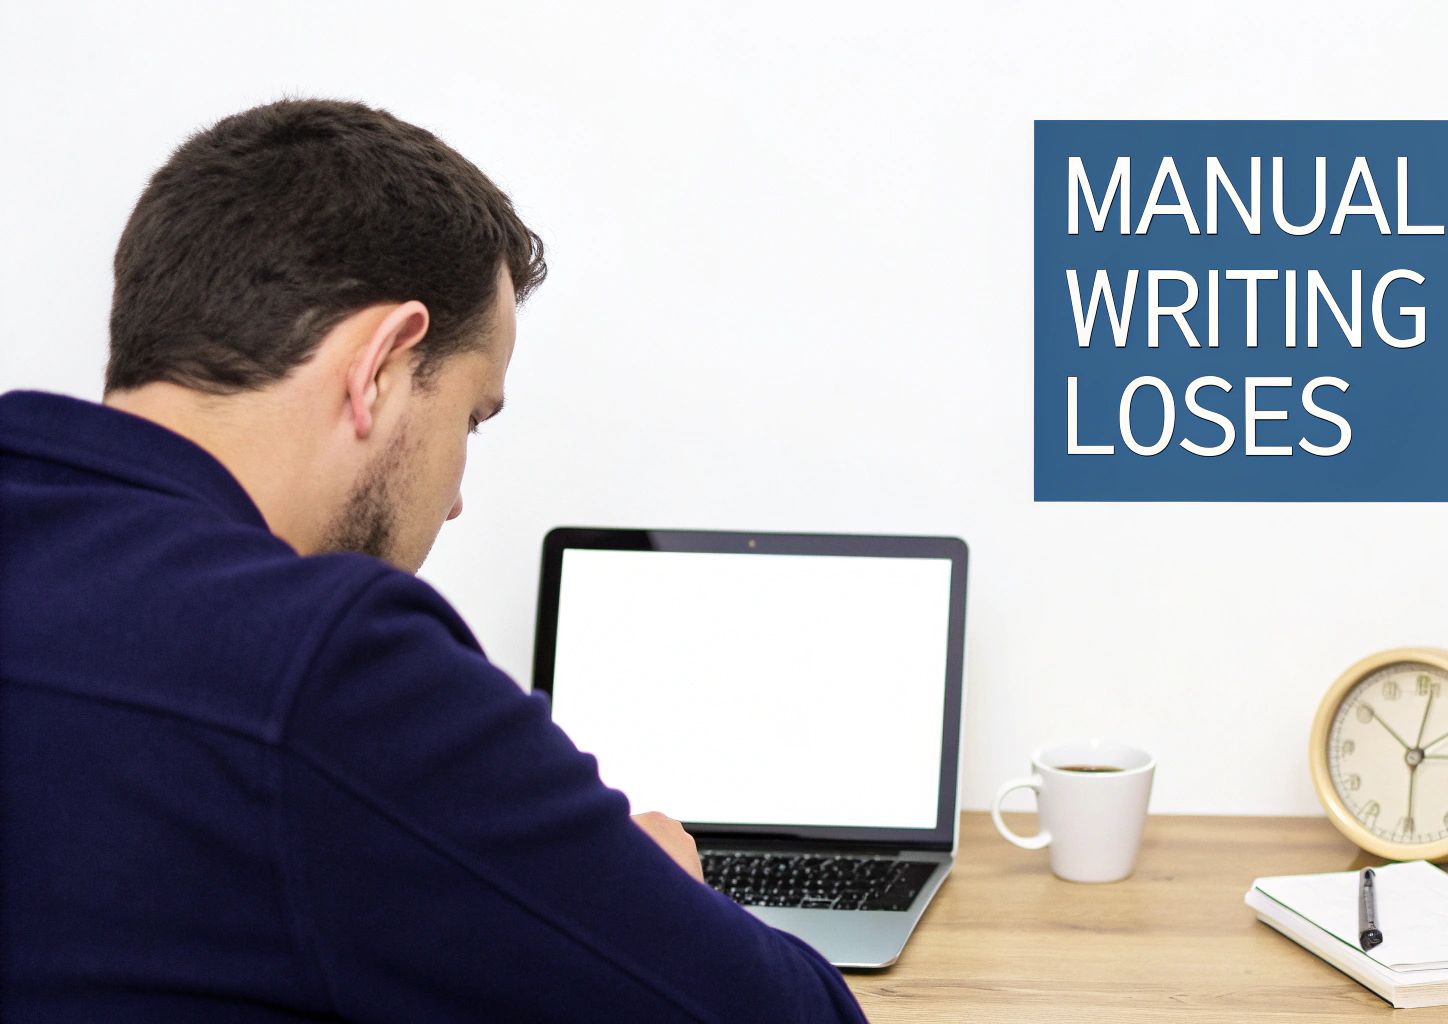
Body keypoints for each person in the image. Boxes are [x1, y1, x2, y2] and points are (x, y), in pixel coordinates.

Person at [0, 97, 868, 1023]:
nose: (457, 496)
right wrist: (660, 903)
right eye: (472, 417)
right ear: (381, 362)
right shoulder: (330, 668)